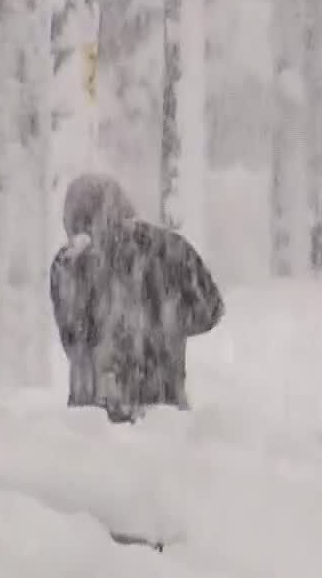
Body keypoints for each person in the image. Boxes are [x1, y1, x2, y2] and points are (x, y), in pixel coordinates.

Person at [50, 172, 224, 422]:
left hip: (93, 418)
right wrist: (164, 328)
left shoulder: (67, 264)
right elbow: (211, 310)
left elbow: (73, 337)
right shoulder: (170, 248)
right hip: (162, 407)